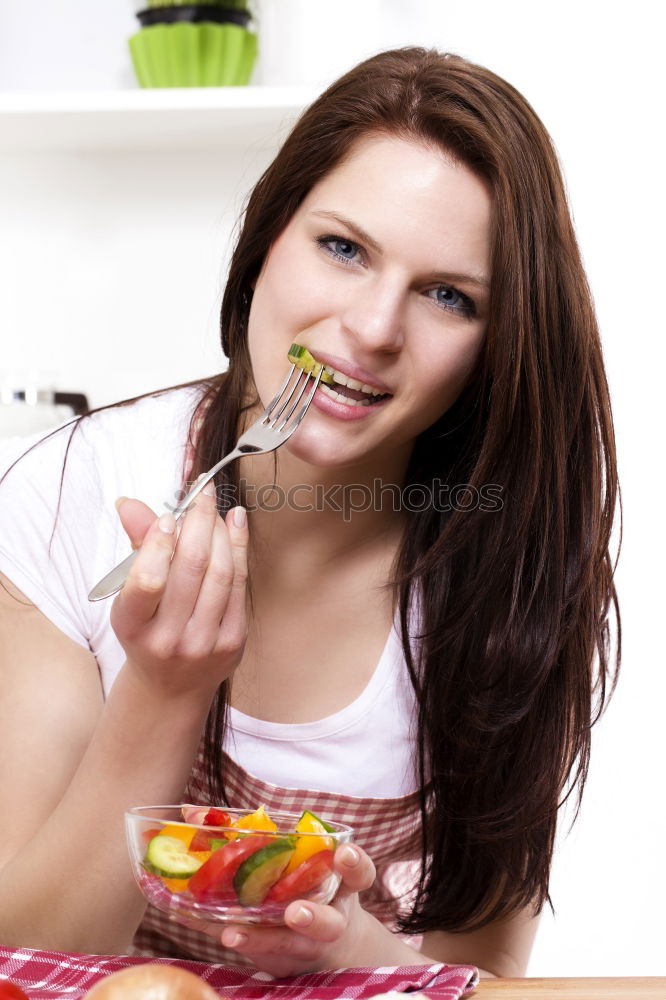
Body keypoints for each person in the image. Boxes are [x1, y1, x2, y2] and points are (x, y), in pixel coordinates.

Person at [0, 47, 620, 979]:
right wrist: (162, 695)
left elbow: (475, 985)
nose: (373, 329)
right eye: (343, 248)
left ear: (499, 345)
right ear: (264, 240)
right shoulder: (74, 494)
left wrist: (355, 950)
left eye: (448, 296)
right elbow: (23, 955)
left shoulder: (512, 569)